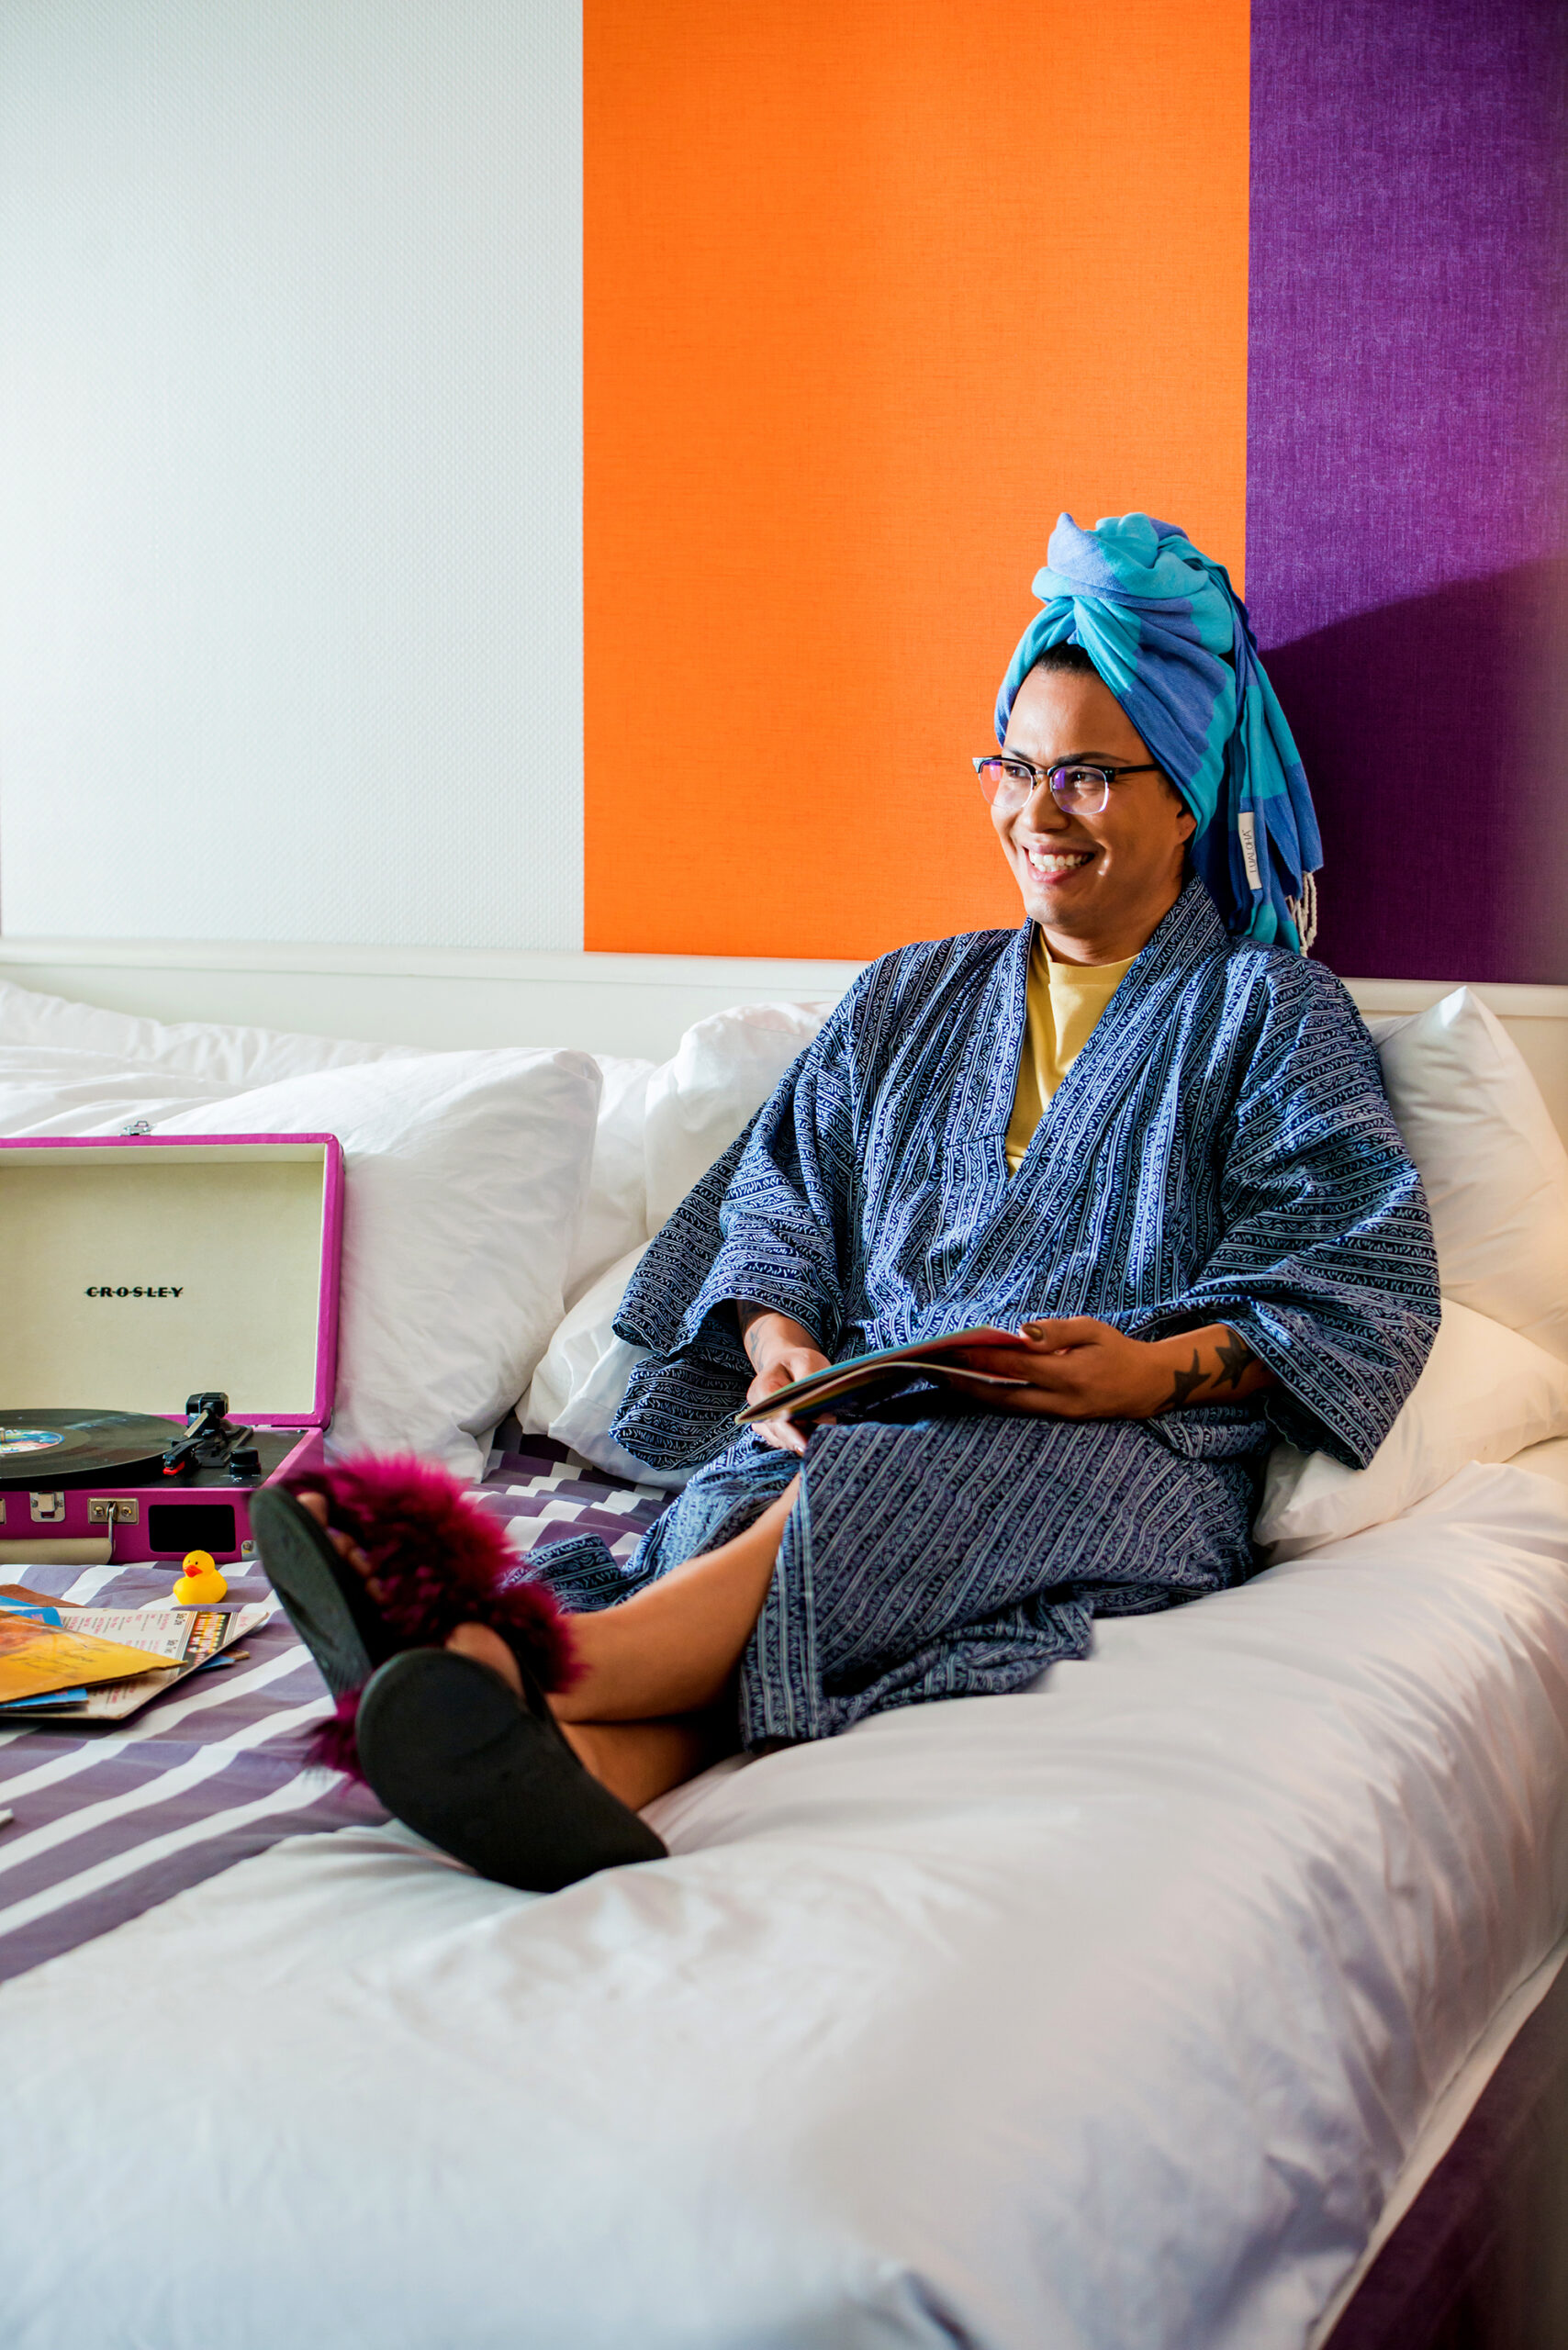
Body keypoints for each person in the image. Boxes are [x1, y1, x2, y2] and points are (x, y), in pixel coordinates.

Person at [256, 510, 1439, 1894]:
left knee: (878, 1488)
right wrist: (782, 1351)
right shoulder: (903, 995)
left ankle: (512, 1659)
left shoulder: (1269, 1011)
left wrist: (1145, 1373)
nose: (1038, 814)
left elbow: (1356, 1282)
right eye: (1015, 768)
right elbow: (776, 1213)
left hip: (1124, 1456)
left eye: (1088, 777)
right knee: (757, 1501)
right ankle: (582, 1775)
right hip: (860, 1415)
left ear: (1186, 794)